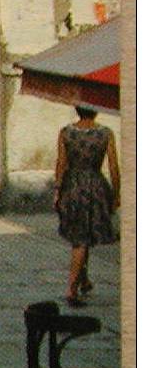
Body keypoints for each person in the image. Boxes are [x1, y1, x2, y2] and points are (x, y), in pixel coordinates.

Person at [54, 104, 119, 305]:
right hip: (95, 185)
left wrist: (57, 190)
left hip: (72, 185)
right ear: (96, 110)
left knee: (81, 233)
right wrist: (116, 193)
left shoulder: (66, 132)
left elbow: (61, 163)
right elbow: (114, 166)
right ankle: (72, 288)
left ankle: (83, 279)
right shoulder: (105, 133)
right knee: (82, 238)